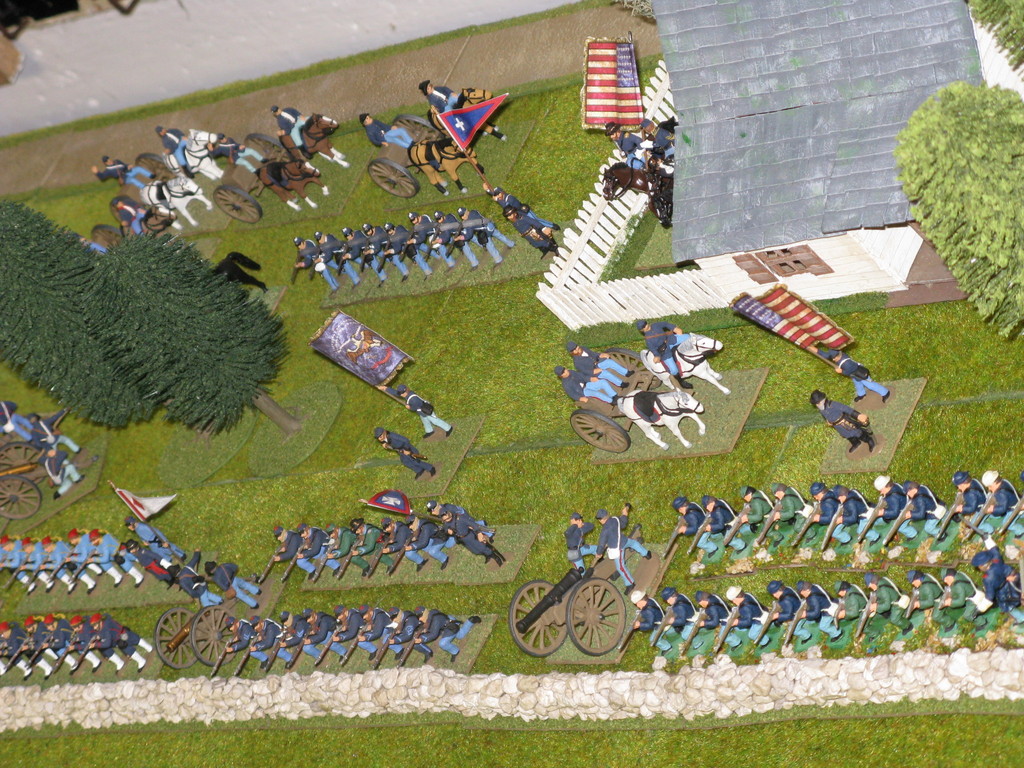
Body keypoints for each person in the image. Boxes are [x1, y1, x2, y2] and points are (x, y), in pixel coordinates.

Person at [972, 540, 1024, 625]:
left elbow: (989, 597)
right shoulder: (997, 560)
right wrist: (986, 538)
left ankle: (1020, 617)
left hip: (1005, 591)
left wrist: (979, 609)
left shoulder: (988, 578)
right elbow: (994, 549)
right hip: (1015, 579)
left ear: (982, 566)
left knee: (1007, 606)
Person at [593, 507, 647, 588]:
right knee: (634, 543)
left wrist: (598, 553)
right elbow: (623, 524)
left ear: (601, 520)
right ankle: (646, 553)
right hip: (624, 540)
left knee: (620, 567)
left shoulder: (605, 530)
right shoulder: (615, 519)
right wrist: (624, 514)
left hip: (618, 548)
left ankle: (630, 583)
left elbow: (601, 544)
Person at [810, 390, 875, 453]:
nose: (817, 405)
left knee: (856, 432)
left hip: (845, 422)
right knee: (846, 435)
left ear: (823, 400)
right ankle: (856, 443)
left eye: (818, 403)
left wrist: (858, 415)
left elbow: (846, 409)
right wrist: (828, 421)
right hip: (837, 426)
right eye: (816, 404)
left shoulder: (833, 404)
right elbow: (825, 416)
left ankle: (869, 440)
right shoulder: (821, 409)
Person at [379, 383, 452, 440]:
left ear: (405, 392)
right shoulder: (407, 393)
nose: (401, 395)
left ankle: (448, 428)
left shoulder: (413, 399)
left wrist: (409, 407)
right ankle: (429, 431)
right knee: (425, 421)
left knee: (435, 421)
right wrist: (385, 388)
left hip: (425, 410)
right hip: (422, 412)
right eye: (400, 393)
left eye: (402, 393)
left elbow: (415, 407)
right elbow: (396, 393)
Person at [817, 348, 890, 403]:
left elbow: (848, 372)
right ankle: (861, 394)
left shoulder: (847, 363)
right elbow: (827, 355)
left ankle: (885, 392)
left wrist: (841, 371)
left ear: (838, 356)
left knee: (870, 385)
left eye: (834, 358)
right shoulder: (841, 355)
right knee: (858, 385)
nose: (833, 359)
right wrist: (816, 350)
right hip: (854, 375)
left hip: (860, 374)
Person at [439, 507, 505, 567]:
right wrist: (447, 531)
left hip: (470, 536)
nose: (447, 520)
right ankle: (487, 555)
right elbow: (445, 528)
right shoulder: (446, 523)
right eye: (445, 519)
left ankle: (496, 557)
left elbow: (473, 524)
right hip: (462, 539)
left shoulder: (460, 518)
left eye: (447, 518)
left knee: (482, 547)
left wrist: (479, 533)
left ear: (449, 513)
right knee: (475, 551)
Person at [486, 185, 557, 230]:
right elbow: (494, 194)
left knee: (536, 220)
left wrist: (497, 200)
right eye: (496, 195)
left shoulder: (509, 198)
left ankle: (552, 225)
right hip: (520, 214)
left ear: (502, 192)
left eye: (498, 194)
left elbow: (507, 206)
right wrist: (488, 190)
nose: (497, 196)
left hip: (524, 212)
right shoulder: (502, 198)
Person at [975, 470, 1023, 536]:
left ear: (994, 483)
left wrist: (993, 509)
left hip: (1014, 508)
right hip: (1016, 500)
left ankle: (1020, 531)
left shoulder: (1000, 493)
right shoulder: (1004, 482)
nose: (989, 489)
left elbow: (1002, 509)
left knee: (1007, 524)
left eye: (990, 486)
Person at [566, 342, 631, 387]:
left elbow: (593, 354)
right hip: (593, 371)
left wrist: (600, 355)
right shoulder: (577, 362)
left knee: (610, 362)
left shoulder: (583, 348)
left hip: (598, 363)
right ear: (572, 353)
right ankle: (621, 384)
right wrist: (593, 372)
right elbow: (584, 372)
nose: (577, 349)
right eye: (574, 349)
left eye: (576, 347)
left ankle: (626, 372)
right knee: (605, 374)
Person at [694, 494, 736, 559]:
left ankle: (741, 546)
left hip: (730, 524)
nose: (707, 508)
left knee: (728, 540)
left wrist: (711, 527)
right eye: (706, 507)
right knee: (713, 534)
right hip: (729, 521)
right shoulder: (719, 502)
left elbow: (720, 526)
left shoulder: (717, 511)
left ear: (712, 502)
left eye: (708, 506)